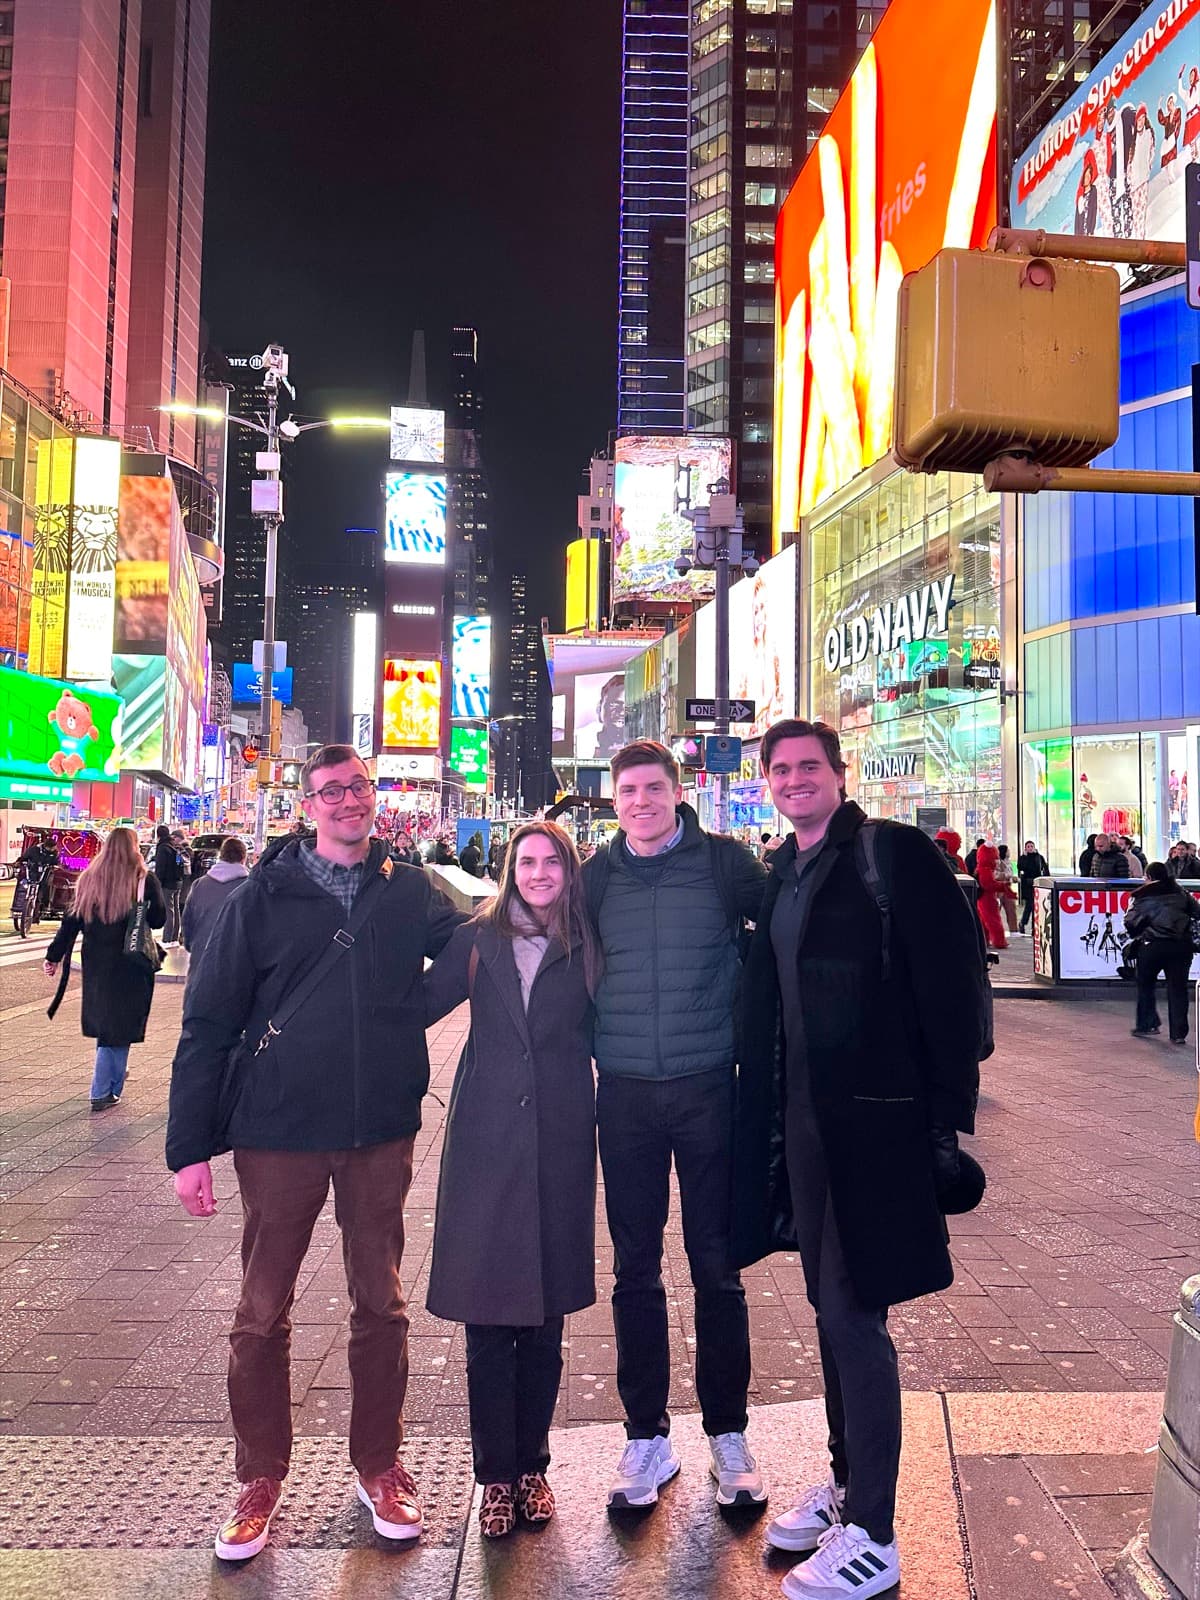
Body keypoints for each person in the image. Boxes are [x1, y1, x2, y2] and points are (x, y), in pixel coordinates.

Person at [165, 744, 464, 1563]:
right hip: (278, 1132)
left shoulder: (409, 891)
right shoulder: (263, 896)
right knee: (262, 1310)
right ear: (308, 805)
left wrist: (411, 1015)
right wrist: (189, 1149)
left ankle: (380, 1463)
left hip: (378, 1130)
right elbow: (208, 1025)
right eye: (330, 790)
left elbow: (472, 949)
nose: (347, 801)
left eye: (359, 787)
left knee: (384, 1303)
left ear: (374, 798)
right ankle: (259, 1476)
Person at [733, 719, 988, 1600]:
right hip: (802, 1130)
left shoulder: (892, 855)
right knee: (827, 1307)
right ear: (767, 783)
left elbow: (959, 989)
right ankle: (847, 1487)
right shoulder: (782, 872)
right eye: (781, 770)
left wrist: (942, 1123)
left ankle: (876, 1534)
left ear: (839, 776)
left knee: (854, 1316)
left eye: (810, 767)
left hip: (875, 1129)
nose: (795, 781)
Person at [581, 740, 768, 1512]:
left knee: (716, 1266)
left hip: (707, 1089)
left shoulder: (728, 867)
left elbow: (789, 932)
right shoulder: (592, 879)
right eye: (629, 791)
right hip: (621, 1092)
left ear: (677, 791)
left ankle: (728, 1432)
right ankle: (645, 1436)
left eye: (654, 788)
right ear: (613, 799)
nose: (641, 802)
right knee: (633, 1269)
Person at [423, 822, 602, 1538]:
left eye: (549, 861)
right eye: (525, 861)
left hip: (559, 1138)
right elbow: (407, 1009)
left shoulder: (587, 946)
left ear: (568, 869)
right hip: (486, 1139)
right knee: (488, 1314)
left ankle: (534, 1466)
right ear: (508, 869)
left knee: (546, 1315)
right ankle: (495, 1475)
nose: (537, 873)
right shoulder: (477, 941)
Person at [42, 827, 166, 1112]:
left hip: (97, 963)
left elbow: (70, 923)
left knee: (108, 1022)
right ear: (134, 848)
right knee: (121, 1025)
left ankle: (111, 1077)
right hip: (131, 964)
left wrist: (53, 956)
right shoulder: (143, 880)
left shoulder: (88, 879)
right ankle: (103, 1089)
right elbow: (158, 920)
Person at [1125, 861, 1200, 1046]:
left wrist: (1141, 931)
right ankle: (1178, 1033)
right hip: (1180, 946)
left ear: (1149, 877)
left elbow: (1131, 922)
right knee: (1178, 989)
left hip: (1152, 946)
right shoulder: (1181, 893)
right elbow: (1197, 912)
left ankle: (1148, 1023)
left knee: (1145, 984)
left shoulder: (1143, 896)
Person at [181, 837, 250, 979]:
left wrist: (191, 945)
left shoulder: (199, 885)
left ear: (221, 856)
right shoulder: (251, 888)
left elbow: (188, 922)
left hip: (201, 957)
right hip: (237, 962)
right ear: (243, 857)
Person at [153, 824, 185, 944]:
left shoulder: (163, 848)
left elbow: (160, 868)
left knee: (169, 911)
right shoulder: (174, 846)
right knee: (175, 910)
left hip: (167, 884)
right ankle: (174, 936)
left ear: (158, 835)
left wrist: (158, 883)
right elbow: (178, 862)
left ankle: (167, 938)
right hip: (178, 881)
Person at [1017, 840, 1048, 933]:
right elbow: (1021, 867)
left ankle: (1034, 927)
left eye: (1031, 846)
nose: (1030, 848)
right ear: (1025, 848)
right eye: (1028, 846)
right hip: (1028, 885)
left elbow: (1044, 868)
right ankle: (1023, 923)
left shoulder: (1039, 857)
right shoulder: (1022, 858)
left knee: (1035, 906)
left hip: (1037, 884)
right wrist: (1026, 857)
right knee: (1029, 905)